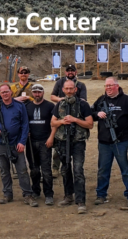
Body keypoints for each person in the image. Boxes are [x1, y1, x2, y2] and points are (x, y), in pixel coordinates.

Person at [91, 77, 128, 208]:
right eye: (106, 86)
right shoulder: (101, 100)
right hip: (104, 142)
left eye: (111, 86)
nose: (108, 88)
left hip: (122, 141)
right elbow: (90, 113)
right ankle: (101, 195)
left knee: (126, 170)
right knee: (103, 170)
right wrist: (97, 114)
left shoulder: (126, 100)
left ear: (117, 86)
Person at [0, 84, 38, 206]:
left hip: (16, 143)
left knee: (22, 170)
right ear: (0, 94)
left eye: (6, 92)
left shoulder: (20, 106)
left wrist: (22, 142)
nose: (5, 94)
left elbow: (25, 125)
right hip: (0, 143)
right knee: (4, 170)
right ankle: (7, 194)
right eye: (2, 92)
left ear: (11, 92)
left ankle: (28, 195)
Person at [51, 80, 93, 214]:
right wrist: (62, 121)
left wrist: (75, 120)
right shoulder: (59, 104)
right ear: (63, 90)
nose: (69, 91)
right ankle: (68, 196)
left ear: (75, 90)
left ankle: (81, 201)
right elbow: (53, 122)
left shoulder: (83, 104)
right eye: (66, 89)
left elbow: (90, 124)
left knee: (78, 170)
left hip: (78, 142)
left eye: (71, 89)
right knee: (65, 169)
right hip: (63, 141)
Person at [50, 64, 88, 178]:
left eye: (72, 70)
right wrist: (62, 100)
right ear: (65, 72)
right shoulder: (59, 82)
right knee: (59, 144)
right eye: (68, 71)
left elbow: (83, 99)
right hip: (61, 112)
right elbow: (52, 96)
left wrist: (72, 102)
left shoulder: (81, 85)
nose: (70, 72)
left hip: (76, 113)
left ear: (76, 72)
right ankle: (55, 168)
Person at [25, 84, 56, 206]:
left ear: (43, 92)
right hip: (31, 143)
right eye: (35, 92)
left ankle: (49, 194)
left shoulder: (50, 106)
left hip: (45, 142)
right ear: (32, 93)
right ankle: (36, 191)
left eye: (39, 92)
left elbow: (54, 123)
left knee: (47, 170)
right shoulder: (27, 106)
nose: (37, 94)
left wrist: (51, 138)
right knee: (34, 169)